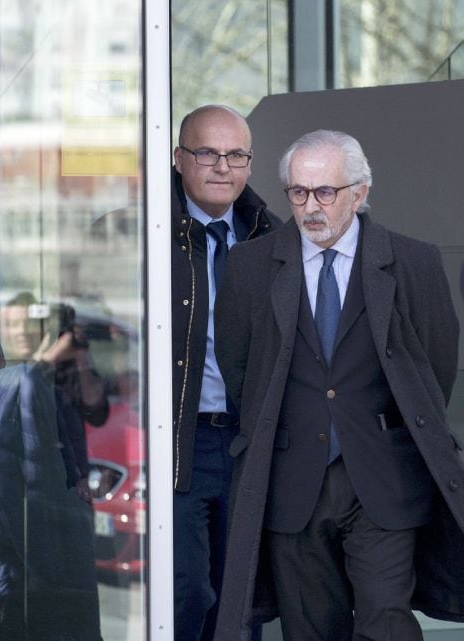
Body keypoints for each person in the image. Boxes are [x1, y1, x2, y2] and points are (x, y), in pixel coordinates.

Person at [213, 129, 464, 641]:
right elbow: (240, 368)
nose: (310, 207)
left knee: (386, 624)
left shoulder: (414, 261)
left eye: (325, 192)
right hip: (291, 480)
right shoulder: (250, 266)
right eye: (298, 192)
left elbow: (434, 365)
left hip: (384, 478)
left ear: (360, 191)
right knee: (309, 629)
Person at [171, 104, 280, 641]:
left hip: (245, 442)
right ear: (179, 159)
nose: (222, 167)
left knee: (240, 598)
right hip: (177, 442)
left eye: (236, 154)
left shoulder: (271, 238)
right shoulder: (143, 235)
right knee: (185, 590)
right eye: (207, 153)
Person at [0, 293, 106, 641]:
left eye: (29, 323)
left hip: (56, 522)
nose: (22, 332)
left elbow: (96, 410)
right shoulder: (6, 378)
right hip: (22, 530)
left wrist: (78, 359)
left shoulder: (52, 374)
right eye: (11, 324)